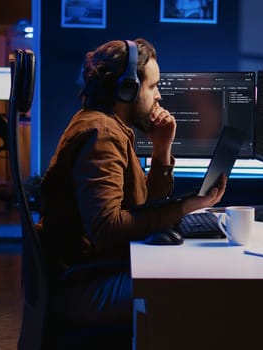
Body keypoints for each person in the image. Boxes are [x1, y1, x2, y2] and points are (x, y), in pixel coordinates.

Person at [38, 38, 227, 329]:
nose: (159, 96)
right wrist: (185, 208)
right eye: (153, 87)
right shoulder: (102, 135)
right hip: (83, 285)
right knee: (188, 294)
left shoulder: (109, 126)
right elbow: (108, 228)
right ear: (127, 89)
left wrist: (162, 149)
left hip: (93, 270)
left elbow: (143, 207)